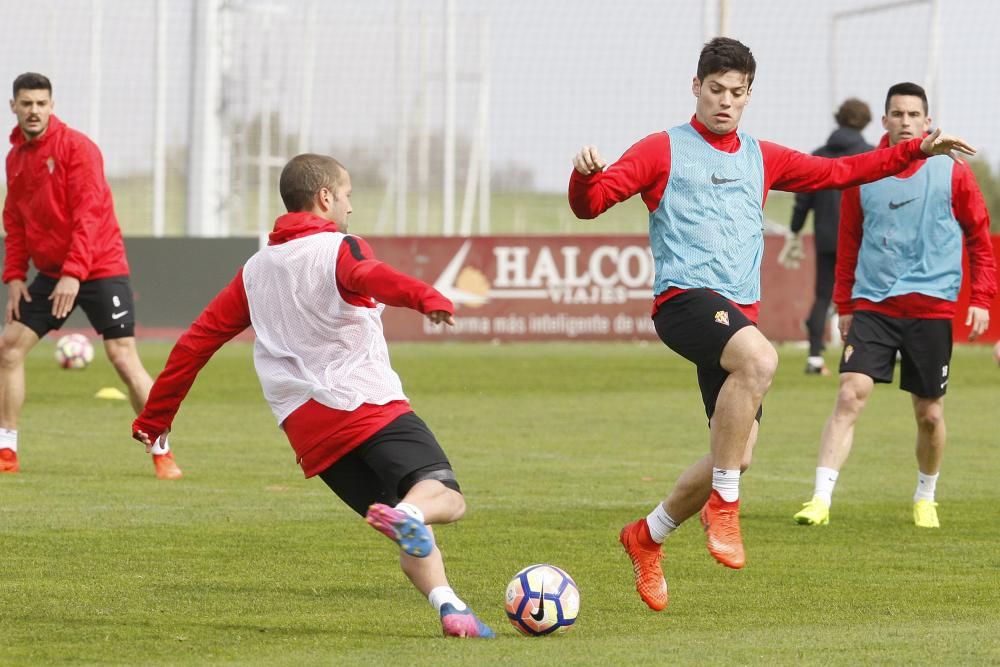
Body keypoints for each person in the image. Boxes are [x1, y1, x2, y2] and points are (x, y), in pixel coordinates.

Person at [568, 38, 976, 612]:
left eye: (737, 93)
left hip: (736, 316)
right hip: (684, 301)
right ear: (696, 87)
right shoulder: (661, 150)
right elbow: (591, 204)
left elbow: (843, 170)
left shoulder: (763, 157)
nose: (725, 103)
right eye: (716, 91)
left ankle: (648, 535)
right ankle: (726, 508)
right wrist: (585, 177)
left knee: (736, 451)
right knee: (761, 359)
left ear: (748, 95)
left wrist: (915, 152)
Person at [131, 153, 494, 639]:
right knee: (443, 497)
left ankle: (450, 606)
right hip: (367, 405)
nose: (350, 206)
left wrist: (156, 418)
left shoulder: (256, 271)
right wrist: (427, 297)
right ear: (325, 197)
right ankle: (410, 515)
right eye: (346, 195)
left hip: (311, 434)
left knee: (407, 520)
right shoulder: (338, 249)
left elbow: (197, 341)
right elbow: (373, 277)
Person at [793, 82, 996, 529]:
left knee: (930, 414)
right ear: (883, 121)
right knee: (850, 394)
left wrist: (982, 298)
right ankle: (820, 499)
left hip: (931, 309)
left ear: (927, 122)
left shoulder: (952, 171)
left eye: (913, 115)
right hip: (874, 305)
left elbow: (979, 238)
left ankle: (926, 496)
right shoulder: (863, 173)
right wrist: (844, 305)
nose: (905, 122)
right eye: (897, 114)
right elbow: (848, 244)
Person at [0, 72, 181, 479]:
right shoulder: (15, 158)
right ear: (13, 107)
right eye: (26, 103)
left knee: (122, 357)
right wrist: (14, 276)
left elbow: (90, 215)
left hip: (99, 266)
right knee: (9, 349)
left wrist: (74, 274)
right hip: (52, 272)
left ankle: (161, 449)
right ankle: (6, 450)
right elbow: (15, 221)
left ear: (52, 105)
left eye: (41, 103)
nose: (34, 111)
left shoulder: (77, 148)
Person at [779, 98, 874, 375]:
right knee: (865, 295)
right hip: (861, 239)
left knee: (822, 296)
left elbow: (803, 198)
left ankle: (814, 358)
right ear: (866, 122)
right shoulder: (869, 154)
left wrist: (794, 232)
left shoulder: (818, 154)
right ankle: (862, 355)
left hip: (826, 237)